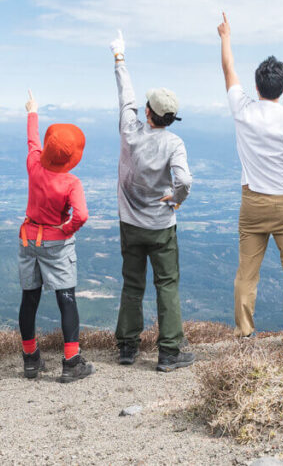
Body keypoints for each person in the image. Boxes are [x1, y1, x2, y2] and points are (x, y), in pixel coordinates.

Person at [217, 13, 283, 343]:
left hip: (252, 203)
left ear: (257, 85)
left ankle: (245, 333)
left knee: (246, 273)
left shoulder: (242, 108)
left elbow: (228, 70)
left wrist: (225, 36)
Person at [108, 31, 195, 372]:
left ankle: (128, 347)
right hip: (161, 225)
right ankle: (169, 352)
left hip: (130, 223)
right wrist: (177, 198)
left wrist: (119, 56)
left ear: (147, 112)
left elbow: (124, 94)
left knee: (132, 283)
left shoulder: (129, 131)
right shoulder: (174, 144)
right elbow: (184, 180)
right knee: (167, 285)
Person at [18, 90, 94, 382]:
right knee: (66, 299)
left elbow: (33, 141)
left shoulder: (34, 167)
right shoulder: (71, 182)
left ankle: (30, 360)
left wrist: (32, 111)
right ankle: (71, 362)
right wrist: (66, 229)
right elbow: (82, 215)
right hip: (56, 244)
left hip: (28, 240)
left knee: (29, 299)